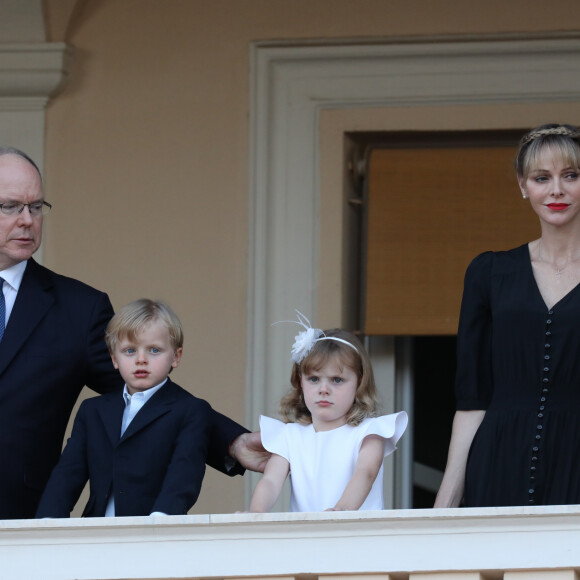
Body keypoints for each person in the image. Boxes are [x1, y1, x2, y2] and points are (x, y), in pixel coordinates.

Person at [0, 146, 263, 520]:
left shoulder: (78, 308)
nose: (27, 220)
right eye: (10, 206)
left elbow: (148, 388)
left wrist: (232, 441)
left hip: (20, 517)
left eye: (36, 207)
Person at [434, 123, 580, 508]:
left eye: (571, 176)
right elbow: (472, 399)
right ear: (522, 185)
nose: (556, 190)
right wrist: (446, 501)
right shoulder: (489, 273)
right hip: (496, 460)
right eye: (541, 178)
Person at [36, 299, 214, 518]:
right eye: (129, 351)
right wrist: (48, 521)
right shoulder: (93, 410)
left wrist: (162, 519)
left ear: (175, 357)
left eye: (154, 350)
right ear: (114, 359)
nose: (141, 360)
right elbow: (68, 474)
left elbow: (184, 473)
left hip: (155, 533)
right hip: (97, 535)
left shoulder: (190, 410)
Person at [249, 314, 407, 512]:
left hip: (357, 537)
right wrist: (255, 516)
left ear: (359, 383)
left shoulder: (369, 433)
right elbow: (271, 482)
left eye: (337, 380)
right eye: (314, 379)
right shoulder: (289, 436)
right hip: (308, 539)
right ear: (300, 381)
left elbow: (365, 472)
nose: (324, 389)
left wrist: (341, 511)